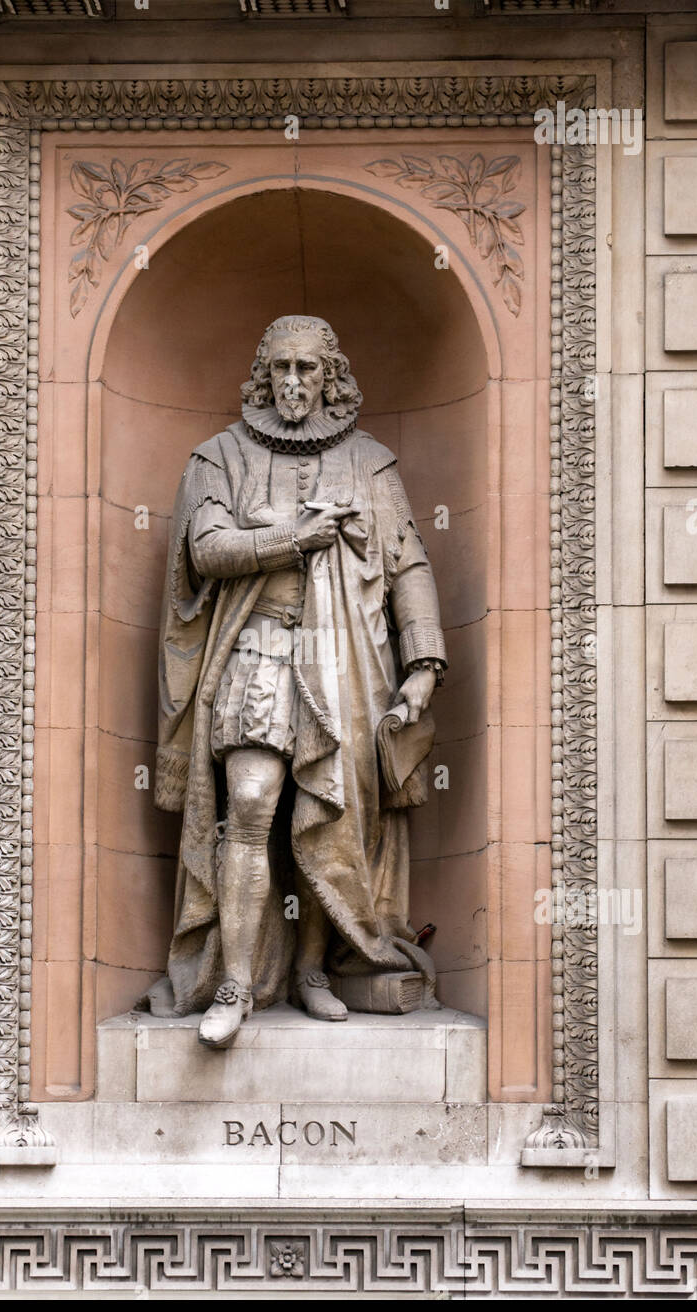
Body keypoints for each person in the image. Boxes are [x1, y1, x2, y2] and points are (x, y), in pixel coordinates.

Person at [150, 315, 447, 1048]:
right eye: (279, 369)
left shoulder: (370, 462)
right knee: (250, 803)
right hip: (254, 648)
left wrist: (422, 665)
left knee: (328, 814)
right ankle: (234, 984)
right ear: (261, 375)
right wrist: (295, 537)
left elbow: (408, 563)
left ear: (330, 377)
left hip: (344, 659)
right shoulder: (219, 455)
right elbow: (208, 548)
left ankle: (313, 971)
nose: (291, 383)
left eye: (306, 370)